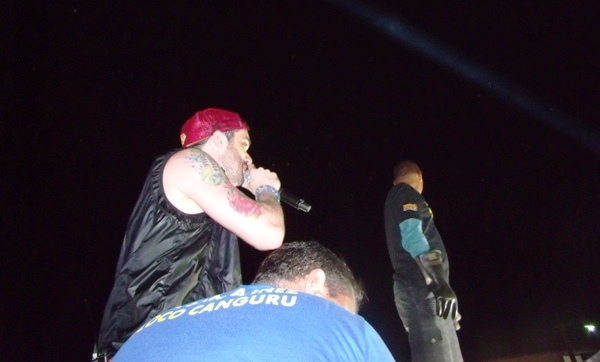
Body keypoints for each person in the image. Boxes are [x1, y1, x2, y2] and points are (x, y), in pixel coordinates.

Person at [97, 108, 285, 358]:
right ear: (219, 139)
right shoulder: (188, 162)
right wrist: (266, 190)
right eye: (243, 145)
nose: (248, 158)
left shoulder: (210, 199)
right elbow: (269, 233)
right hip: (148, 346)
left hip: (179, 345)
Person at [112, 241, 396, 361]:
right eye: (342, 311)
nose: (344, 320)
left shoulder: (154, 326)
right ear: (315, 285)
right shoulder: (348, 329)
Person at [384, 160, 463, 361]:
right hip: (423, 292)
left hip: (426, 294)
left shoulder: (401, 194)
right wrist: (439, 283)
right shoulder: (404, 191)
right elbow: (413, 238)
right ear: (420, 174)